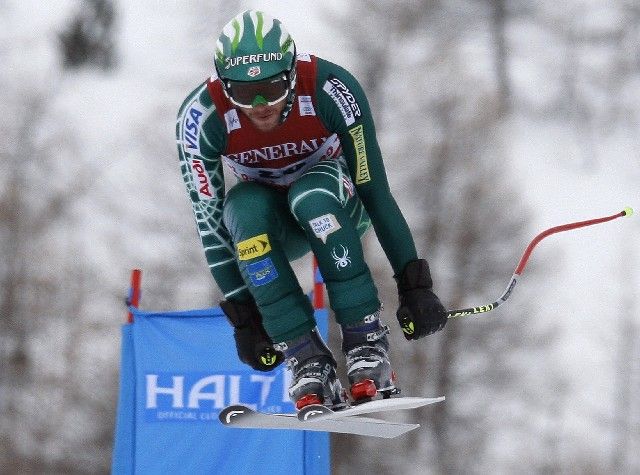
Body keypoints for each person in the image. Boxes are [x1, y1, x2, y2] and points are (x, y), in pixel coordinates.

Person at [176, 10, 447, 410]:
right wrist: (246, 318)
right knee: (242, 211)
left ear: (291, 72)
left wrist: (414, 286)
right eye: (243, 92)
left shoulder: (330, 88)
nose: (260, 104)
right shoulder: (200, 119)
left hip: (338, 206)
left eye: (271, 87)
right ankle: (305, 357)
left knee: (309, 195)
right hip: (274, 225)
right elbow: (210, 226)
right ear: (221, 84)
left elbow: (375, 191)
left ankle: (366, 343)